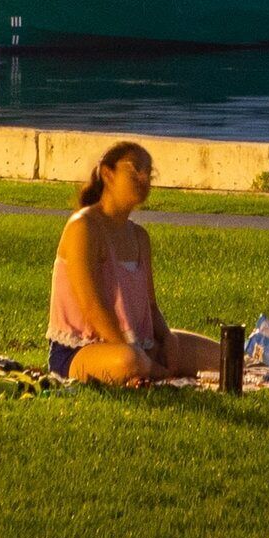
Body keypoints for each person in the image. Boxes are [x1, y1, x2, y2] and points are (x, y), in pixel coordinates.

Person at [46, 143, 228, 386]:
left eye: (149, 172)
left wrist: (167, 337)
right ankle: (153, 372)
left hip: (140, 344)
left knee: (225, 357)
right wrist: (143, 358)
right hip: (82, 351)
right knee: (128, 360)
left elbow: (150, 306)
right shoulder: (84, 227)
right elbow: (92, 306)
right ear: (107, 174)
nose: (143, 178)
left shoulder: (140, 237)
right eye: (134, 170)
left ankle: (148, 368)